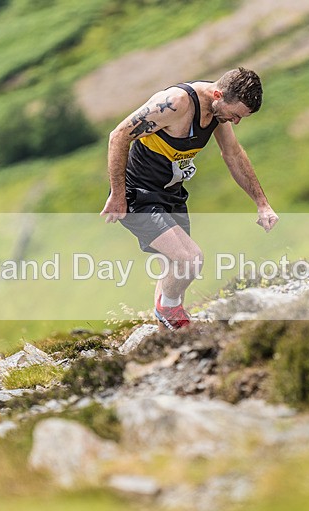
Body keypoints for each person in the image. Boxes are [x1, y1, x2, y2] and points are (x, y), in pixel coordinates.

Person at [100, 67, 279, 330]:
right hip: (138, 195)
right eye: (236, 115)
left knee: (175, 270)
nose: (236, 122)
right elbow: (118, 136)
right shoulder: (176, 103)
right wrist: (117, 194)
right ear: (218, 94)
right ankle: (169, 311)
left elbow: (234, 155)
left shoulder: (218, 113)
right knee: (190, 260)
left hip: (171, 194)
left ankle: (165, 337)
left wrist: (262, 204)